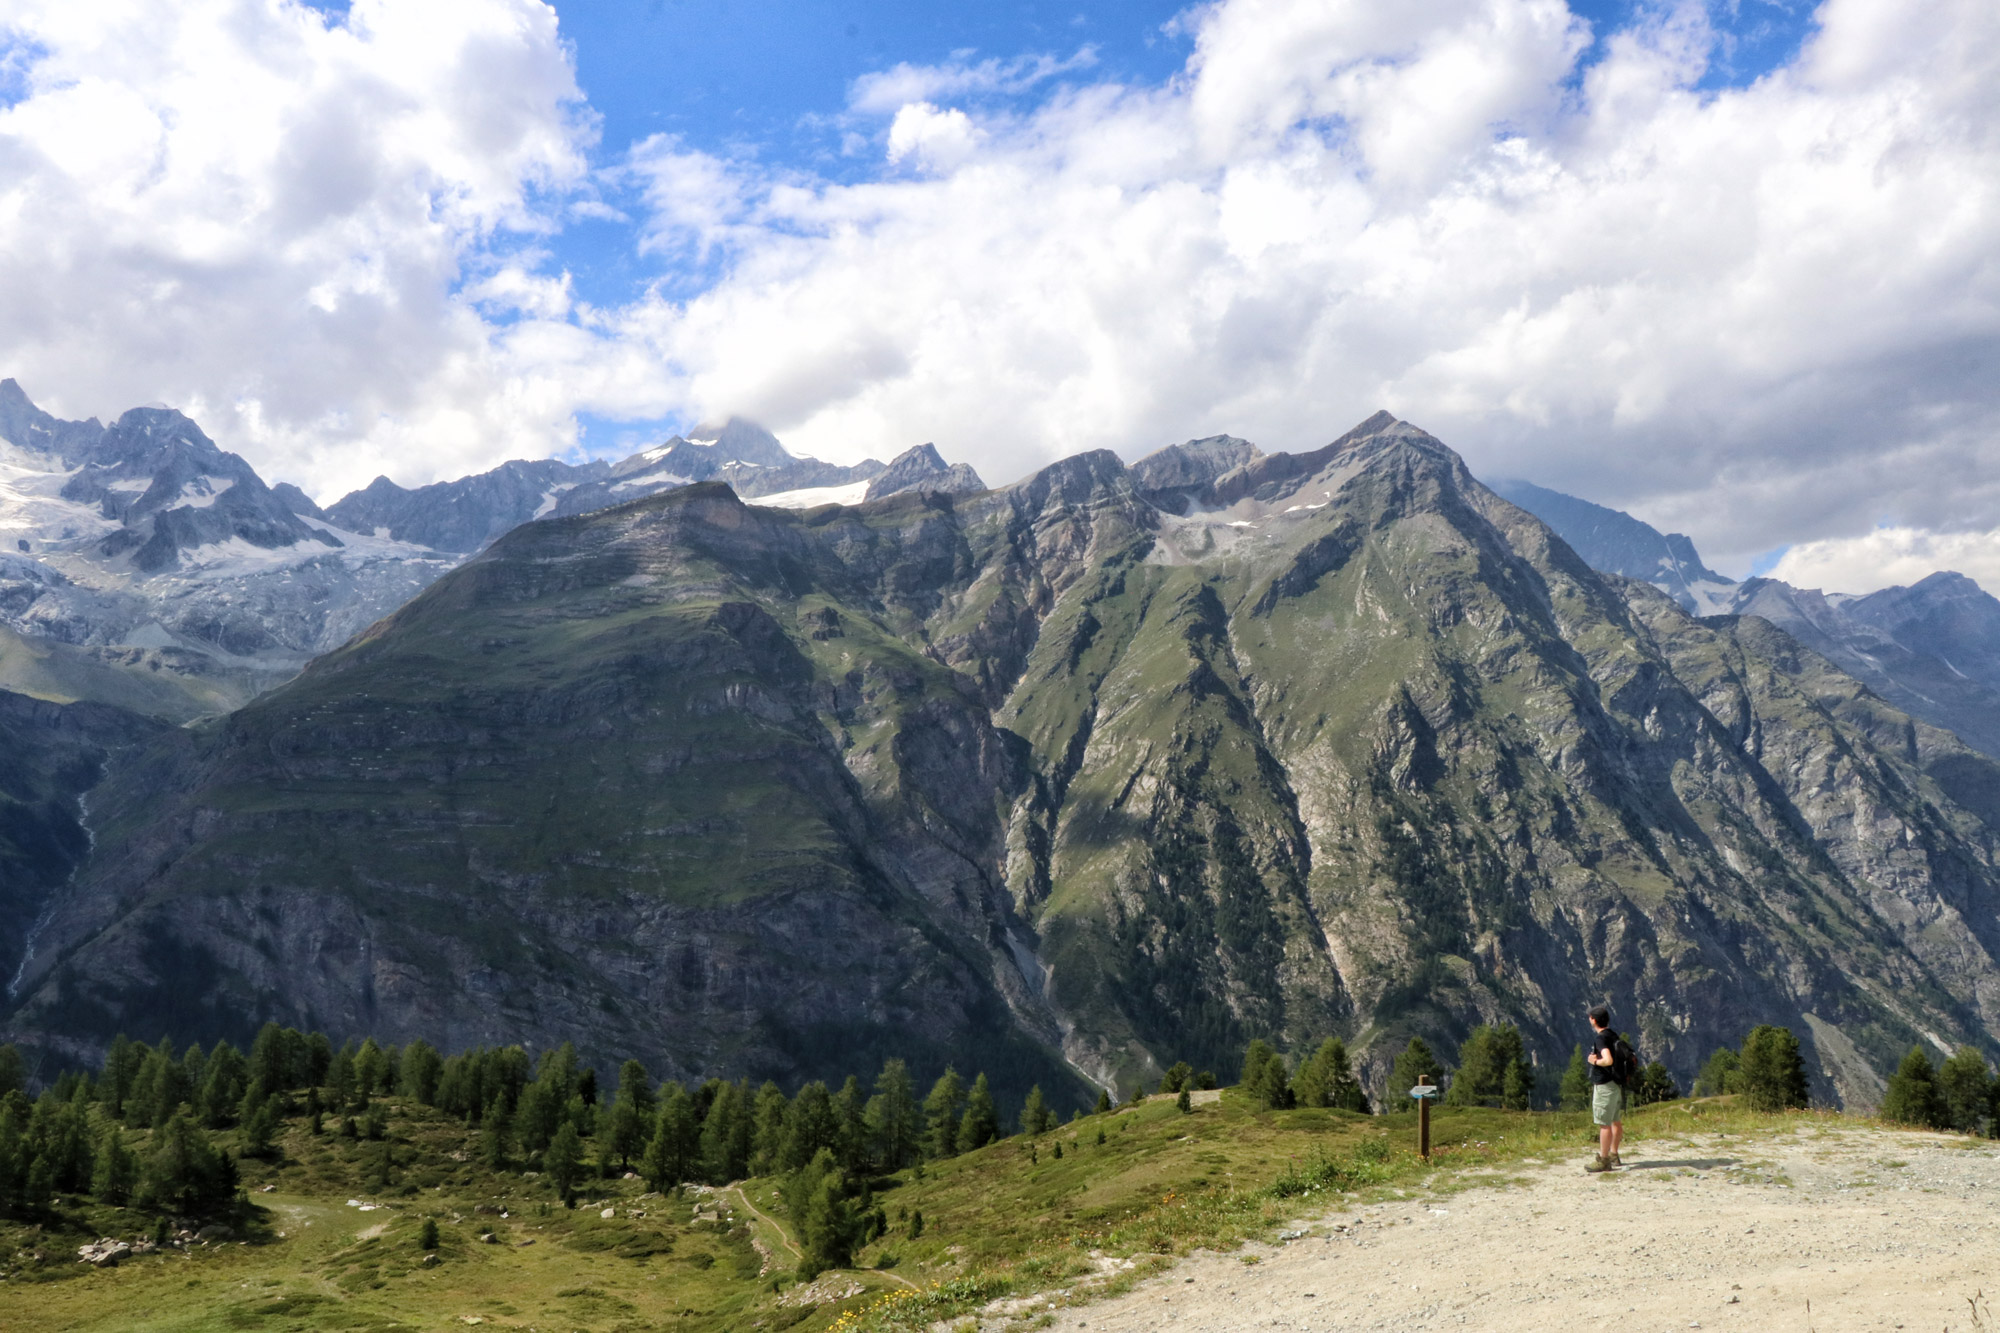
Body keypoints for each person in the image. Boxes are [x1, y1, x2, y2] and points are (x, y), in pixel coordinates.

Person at [1584, 1005, 1624, 1173]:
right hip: (1615, 1084)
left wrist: (1594, 1061)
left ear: (1593, 1020)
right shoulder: (1613, 1035)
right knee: (1616, 1120)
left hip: (1604, 1085)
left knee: (1604, 1124)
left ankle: (1604, 1160)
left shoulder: (1600, 1039)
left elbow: (1607, 1060)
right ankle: (1614, 1154)